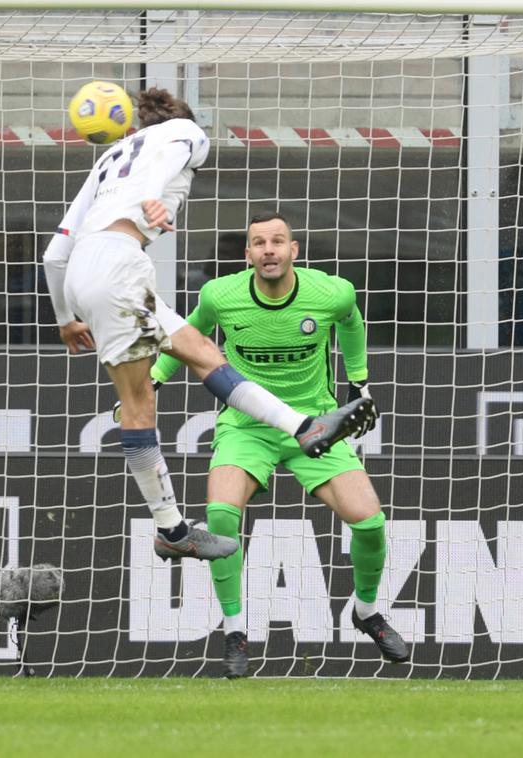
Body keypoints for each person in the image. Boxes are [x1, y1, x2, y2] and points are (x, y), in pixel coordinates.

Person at [42, 87, 374, 563]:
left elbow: (55, 253)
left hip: (87, 272)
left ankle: (305, 427)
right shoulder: (183, 132)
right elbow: (172, 152)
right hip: (119, 268)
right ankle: (171, 528)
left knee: (203, 352)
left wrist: (65, 318)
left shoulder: (110, 158)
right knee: (137, 407)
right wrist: (153, 199)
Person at [153, 212, 407, 677]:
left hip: (313, 427)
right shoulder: (219, 296)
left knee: (369, 524)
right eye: (258, 243)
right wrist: (153, 381)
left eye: (277, 241)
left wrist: (359, 381)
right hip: (247, 428)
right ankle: (234, 632)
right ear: (247, 255)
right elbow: (184, 338)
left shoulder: (331, 292)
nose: (268, 249)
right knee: (221, 518)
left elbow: (351, 321)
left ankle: (367, 612)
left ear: (294, 250)